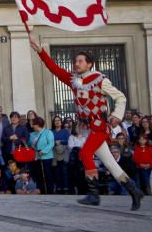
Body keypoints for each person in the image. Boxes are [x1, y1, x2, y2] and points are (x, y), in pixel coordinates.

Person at [31, 36, 142, 210]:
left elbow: (120, 97)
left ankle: (94, 195)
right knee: (110, 163)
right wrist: (40, 51)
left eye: (80, 61)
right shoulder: (74, 80)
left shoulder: (100, 79)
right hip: (87, 129)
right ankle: (134, 190)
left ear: (89, 64)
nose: (76, 64)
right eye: (75, 61)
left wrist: (117, 115)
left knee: (85, 153)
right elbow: (54, 69)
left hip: (99, 127)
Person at [28, 117, 54, 194]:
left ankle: (49, 191)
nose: (32, 126)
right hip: (36, 157)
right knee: (39, 175)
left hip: (47, 157)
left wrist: (43, 151)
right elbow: (29, 144)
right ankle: (41, 190)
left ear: (38, 125)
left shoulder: (48, 132)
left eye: (33, 124)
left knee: (48, 175)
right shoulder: (32, 134)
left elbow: (51, 143)